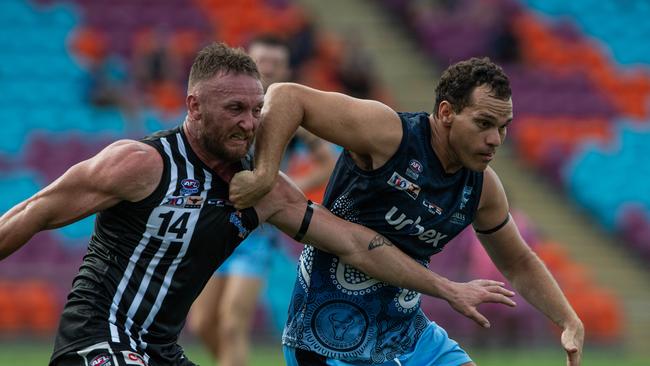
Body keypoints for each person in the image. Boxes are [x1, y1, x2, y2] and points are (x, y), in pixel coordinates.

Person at [0, 44, 515, 366]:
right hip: (98, 341)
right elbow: (33, 212)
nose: (250, 123)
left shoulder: (264, 193)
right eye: (235, 110)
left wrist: (444, 287)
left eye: (255, 109)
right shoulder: (140, 164)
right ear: (193, 106)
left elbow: (358, 245)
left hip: (159, 350)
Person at [229, 57, 585, 366]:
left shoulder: (482, 187)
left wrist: (569, 320)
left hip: (408, 334)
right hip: (329, 337)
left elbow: (518, 261)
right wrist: (264, 174)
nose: (495, 139)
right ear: (446, 113)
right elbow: (287, 96)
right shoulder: (389, 135)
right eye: (483, 123)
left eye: (503, 127)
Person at [187, 35, 338, 366]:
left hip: (255, 232)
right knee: (202, 323)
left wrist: (277, 185)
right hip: (214, 221)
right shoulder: (226, 110)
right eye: (261, 63)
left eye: (275, 64)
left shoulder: (290, 114)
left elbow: (327, 162)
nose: (268, 70)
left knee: (231, 325)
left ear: (287, 69)